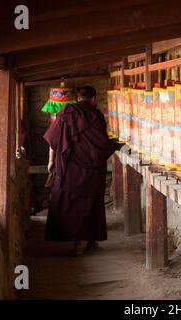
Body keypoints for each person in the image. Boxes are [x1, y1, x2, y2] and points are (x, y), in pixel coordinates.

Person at [43, 86, 123, 256]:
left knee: (70, 203)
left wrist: (51, 161)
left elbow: (53, 139)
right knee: (90, 202)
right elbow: (100, 144)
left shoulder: (66, 113)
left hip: (69, 167)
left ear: (78, 98)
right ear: (94, 99)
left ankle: (80, 241)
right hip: (91, 170)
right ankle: (87, 240)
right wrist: (116, 145)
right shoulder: (96, 116)